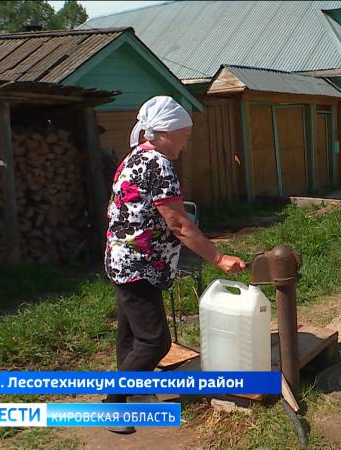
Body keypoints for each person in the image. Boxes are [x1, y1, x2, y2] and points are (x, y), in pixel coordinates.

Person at [103, 96, 245, 433]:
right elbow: (179, 223)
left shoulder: (134, 157)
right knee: (155, 341)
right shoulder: (159, 165)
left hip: (122, 259)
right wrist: (219, 258)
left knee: (131, 333)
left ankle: (133, 396)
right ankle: (112, 403)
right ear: (164, 133)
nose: (186, 140)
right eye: (183, 134)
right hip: (140, 265)